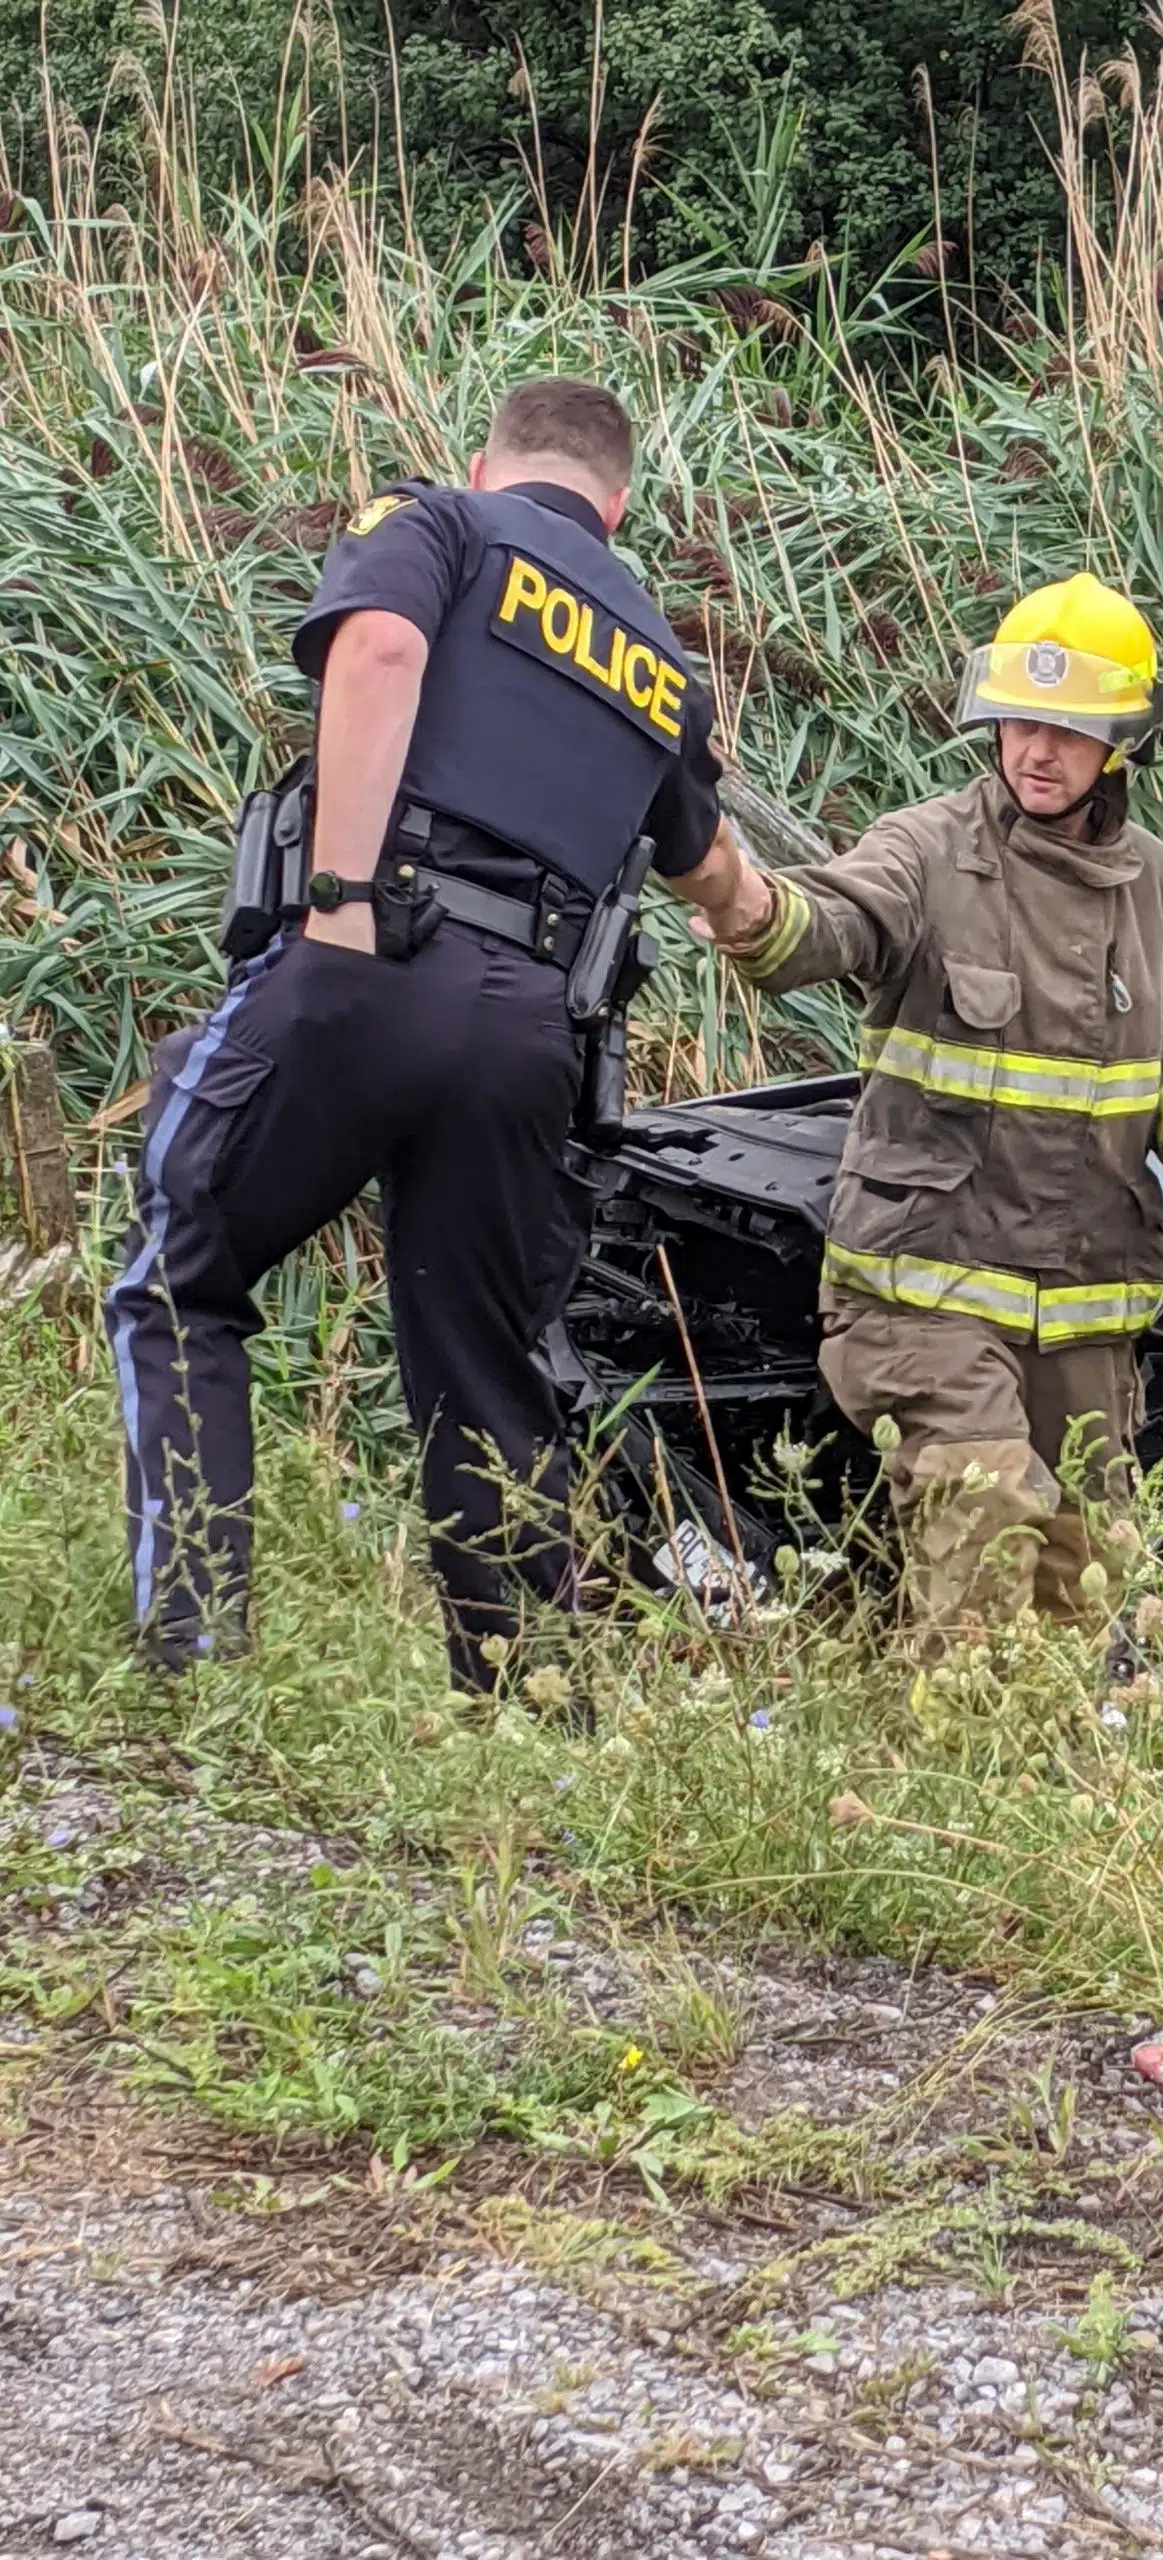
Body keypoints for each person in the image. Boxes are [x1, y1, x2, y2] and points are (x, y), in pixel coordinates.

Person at [109, 376, 744, 1690]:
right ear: (617, 508)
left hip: (380, 957)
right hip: (531, 1035)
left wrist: (339, 905)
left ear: (489, 460)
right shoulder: (658, 657)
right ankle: (524, 1699)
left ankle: (197, 1654)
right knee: (480, 1365)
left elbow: (381, 650)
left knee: (182, 1269)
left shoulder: (445, 524)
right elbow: (722, 880)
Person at [672, 573, 1163, 1629]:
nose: (1037, 750)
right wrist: (738, 898)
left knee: (1081, 1597)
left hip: (1080, 1320)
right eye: (1020, 723)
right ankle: (944, 1785)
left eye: (1068, 731)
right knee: (991, 1536)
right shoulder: (930, 851)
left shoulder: (1157, 888)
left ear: (1121, 740)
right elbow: (830, 919)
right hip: (922, 1300)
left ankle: (1023, 1787)